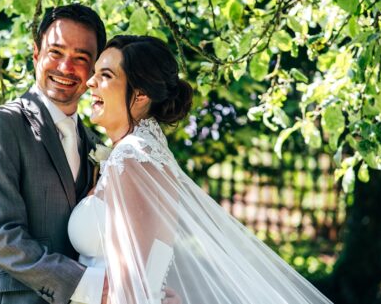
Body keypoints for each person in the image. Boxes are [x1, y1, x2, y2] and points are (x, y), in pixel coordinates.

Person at [71, 35, 332, 303]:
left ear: (140, 94)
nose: (91, 82)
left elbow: (128, 283)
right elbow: (147, 266)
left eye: (106, 75)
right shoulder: (146, 153)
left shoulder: (131, 158)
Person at [0, 5, 181, 304]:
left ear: (93, 69)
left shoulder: (96, 145)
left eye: (81, 58)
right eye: (55, 53)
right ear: (36, 54)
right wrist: (89, 286)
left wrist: (148, 290)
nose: (65, 67)